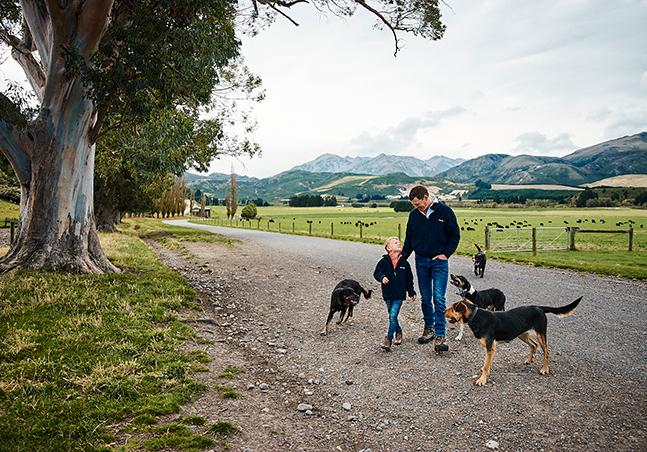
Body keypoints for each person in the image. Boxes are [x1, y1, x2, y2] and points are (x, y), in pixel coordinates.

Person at [402, 185, 460, 352]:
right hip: (421, 261)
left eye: (418, 204)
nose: (416, 207)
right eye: (413, 204)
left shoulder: (444, 211)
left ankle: (440, 335)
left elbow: (455, 235)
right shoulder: (413, 216)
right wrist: (399, 260)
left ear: (426, 197)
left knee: (439, 298)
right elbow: (409, 241)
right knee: (426, 298)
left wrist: (446, 254)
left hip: (439, 262)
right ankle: (429, 329)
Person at [373, 237, 416, 351]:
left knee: (392, 316)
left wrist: (411, 292)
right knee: (392, 316)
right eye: (395, 242)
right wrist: (382, 277)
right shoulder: (383, 262)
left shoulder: (405, 264)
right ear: (388, 248)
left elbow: (409, 280)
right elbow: (377, 273)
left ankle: (388, 339)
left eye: (399, 242)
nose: (399, 243)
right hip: (387, 294)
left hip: (399, 295)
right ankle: (398, 331)